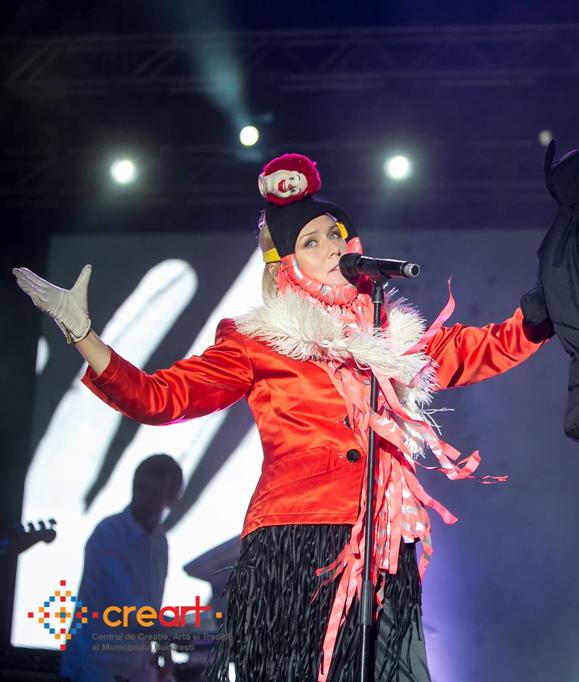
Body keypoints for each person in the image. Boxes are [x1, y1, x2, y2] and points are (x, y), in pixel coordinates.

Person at [15, 152, 551, 682]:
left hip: (379, 542)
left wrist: (542, 311)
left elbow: (480, 348)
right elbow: (159, 398)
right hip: (295, 543)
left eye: (335, 234)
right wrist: (83, 334)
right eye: (311, 242)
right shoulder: (259, 342)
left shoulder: (390, 337)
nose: (332, 246)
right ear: (287, 265)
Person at [59, 454, 182, 682]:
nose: (143, 498)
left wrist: (163, 645)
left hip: (137, 667)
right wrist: (177, 628)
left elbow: (149, 608)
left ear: (172, 500)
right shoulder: (107, 534)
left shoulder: (160, 541)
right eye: (140, 488)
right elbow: (126, 607)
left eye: (154, 493)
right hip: (94, 668)